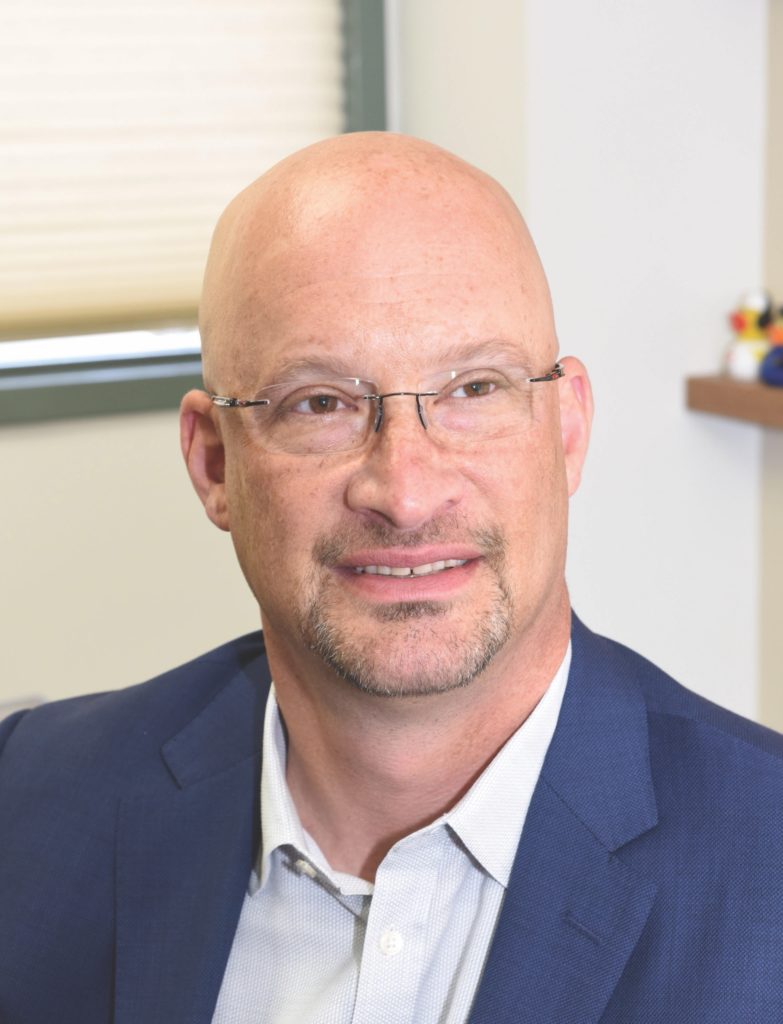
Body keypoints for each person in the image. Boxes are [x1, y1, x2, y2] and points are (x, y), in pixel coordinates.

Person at [1, 132, 782, 1024]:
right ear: (214, 462)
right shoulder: (27, 803)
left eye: (474, 389)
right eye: (320, 403)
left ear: (566, 433)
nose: (405, 495)